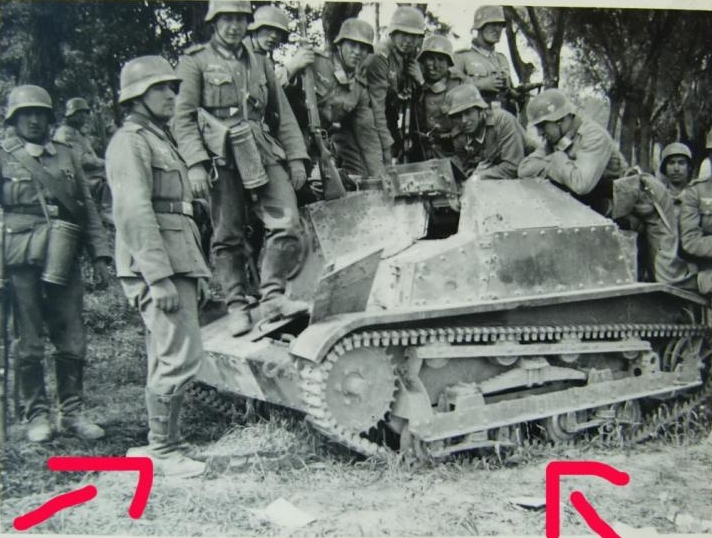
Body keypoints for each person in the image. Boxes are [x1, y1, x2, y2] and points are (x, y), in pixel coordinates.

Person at [173, 0, 310, 337]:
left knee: (288, 223)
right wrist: (196, 164)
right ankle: (236, 304)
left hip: (261, 150)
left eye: (240, 19)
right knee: (227, 235)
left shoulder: (260, 62)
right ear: (215, 22)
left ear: (248, 22)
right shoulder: (195, 61)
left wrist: (296, 157)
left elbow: (283, 114)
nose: (234, 26)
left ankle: (273, 296)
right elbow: (183, 119)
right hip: (220, 157)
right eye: (227, 19)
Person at [105, 55, 210, 478]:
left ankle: (164, 443)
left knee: (168, 353)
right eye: (161, 88)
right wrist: (159, 277)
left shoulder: (157, 138)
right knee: (180, 355)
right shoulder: (131, 142)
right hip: (158, 264)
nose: (172, 94)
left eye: (173, 87)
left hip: (177, 258)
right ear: (137, 97)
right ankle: (163, 450)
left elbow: (180, 213)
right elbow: (133, 212)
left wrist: (194, 271)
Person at [0, 85, 111, 442]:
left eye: (40, 113)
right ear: (14, 119)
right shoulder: (4, 155)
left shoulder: (66, 154)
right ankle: (36, 415)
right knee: (29, 340)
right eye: (26, 114)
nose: (34, 120)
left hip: (64, 254)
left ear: (50, 118)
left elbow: (86, 207)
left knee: (72, 337)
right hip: (19, 259)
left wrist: (100, 255)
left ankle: (72, 413)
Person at [518, 88, 627, 215]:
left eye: (542, 126)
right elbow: (524, 169)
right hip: (585, 206)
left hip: (617, 210)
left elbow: (581, 184)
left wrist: (556, 159)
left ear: (559, 120)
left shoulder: (594, 136)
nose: (539, 133)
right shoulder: (555, 139)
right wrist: (553, 166)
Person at [304, 18, 385, 179]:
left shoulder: (359, 89)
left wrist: (379, 176)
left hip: (323, 141)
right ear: (340, 45)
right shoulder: (314, 62)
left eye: (363, 48)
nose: (357, 52)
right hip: (295, 134)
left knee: (362, 175)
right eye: (352, 45)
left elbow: (367, 134)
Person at [362, 5, 426, 164]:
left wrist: (419, 80)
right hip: (367, 118)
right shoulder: (380, 56)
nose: (409, 41)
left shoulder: (407, 56)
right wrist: (386, 144)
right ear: (393, 32)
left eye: (414, 36)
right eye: (404, 34)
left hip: (388, 116)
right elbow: (376, 107)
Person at [444, 84, 526, 179]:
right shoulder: (459, 137)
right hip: (496, 179)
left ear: (480, 110)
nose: (464, 120)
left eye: (468, 112)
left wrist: (480, 176)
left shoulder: (502, 121)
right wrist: (473, 173)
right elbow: (466, 169)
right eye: (457, 116)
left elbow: (513, 167)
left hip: (527, 172)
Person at [408, 35, 469, 162]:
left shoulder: (458, 83)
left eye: (441, 60)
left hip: (451, 153)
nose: (435, 65)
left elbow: (439, 104)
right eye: (430, 59)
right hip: (420, 153)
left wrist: (422, 83)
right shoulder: (413, 81)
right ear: (423, 61)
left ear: (448, 63)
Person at [53, 97, 112, 225]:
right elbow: (80, 159)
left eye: (85, 113)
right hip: (75, 178)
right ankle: (106, 211)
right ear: (72, 115)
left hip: (87, 174)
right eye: (81, 113)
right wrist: (104, 163)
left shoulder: (78, 133)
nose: (85, 117)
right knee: (110, 177)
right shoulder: (66, 133)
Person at [454, 6, 513, 111]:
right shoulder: (462, 57)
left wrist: (518, 95)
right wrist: (480, 85)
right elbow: (451, 94)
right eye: (493, 24)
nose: (498, 29)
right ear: (480, 26)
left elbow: (508, 95)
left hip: (501, 118)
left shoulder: (502, 59)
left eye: (500, 25)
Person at [247, 4, 314, 88]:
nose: (274, 36)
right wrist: (293, 65)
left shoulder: (263, 58)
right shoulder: (243, 54)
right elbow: (261, 89)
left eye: (278, 32)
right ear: (255, 29)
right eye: (268, 29)